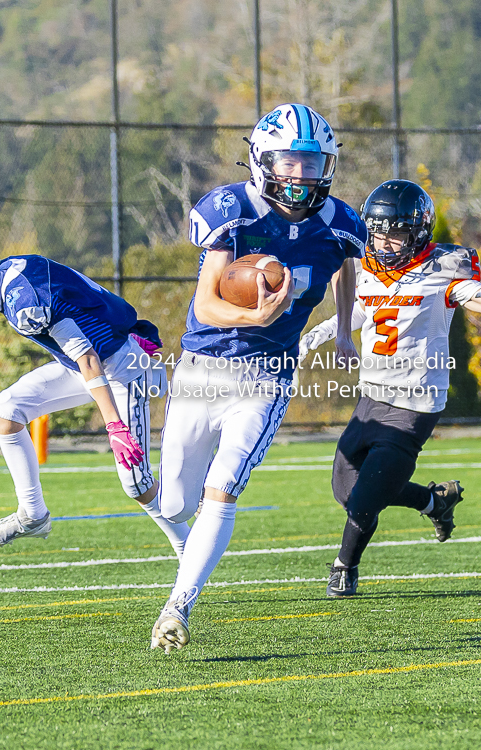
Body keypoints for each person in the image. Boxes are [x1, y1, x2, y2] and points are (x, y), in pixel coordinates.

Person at [150, 103, 366, 653]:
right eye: (288, 160)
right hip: (203, 365)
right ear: (261, 159)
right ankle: (189, 545)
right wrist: (254, 315)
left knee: (222, 489)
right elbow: (207, 304)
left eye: (311, 162)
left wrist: (344, 328)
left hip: (267, 375)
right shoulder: (232, 210)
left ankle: (178, 607)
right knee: (173, 500)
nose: (299, 174)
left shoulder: (340, 223)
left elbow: (345, 265)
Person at [298, 179, 481, 597]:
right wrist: (323, 333)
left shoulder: (441, 269)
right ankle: (434, 502)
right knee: (346, 492)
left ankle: (344, 568)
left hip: (414, 403)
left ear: (418, 230)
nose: (383, 240)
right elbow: (365, 310)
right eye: (377, 230)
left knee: (364, 503)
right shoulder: (367, 268)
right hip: (371, 398)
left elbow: (465, 292)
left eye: (395, 230)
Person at [0, 253, 190, 558]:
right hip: (90, 364)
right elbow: (82, 299)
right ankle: (33, 515)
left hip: (121, 367)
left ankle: (189, 548)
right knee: (5, 412)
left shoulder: (25, 303)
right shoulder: (15, 268)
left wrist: (113, 425)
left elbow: (88, 358)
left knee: (135, 481)